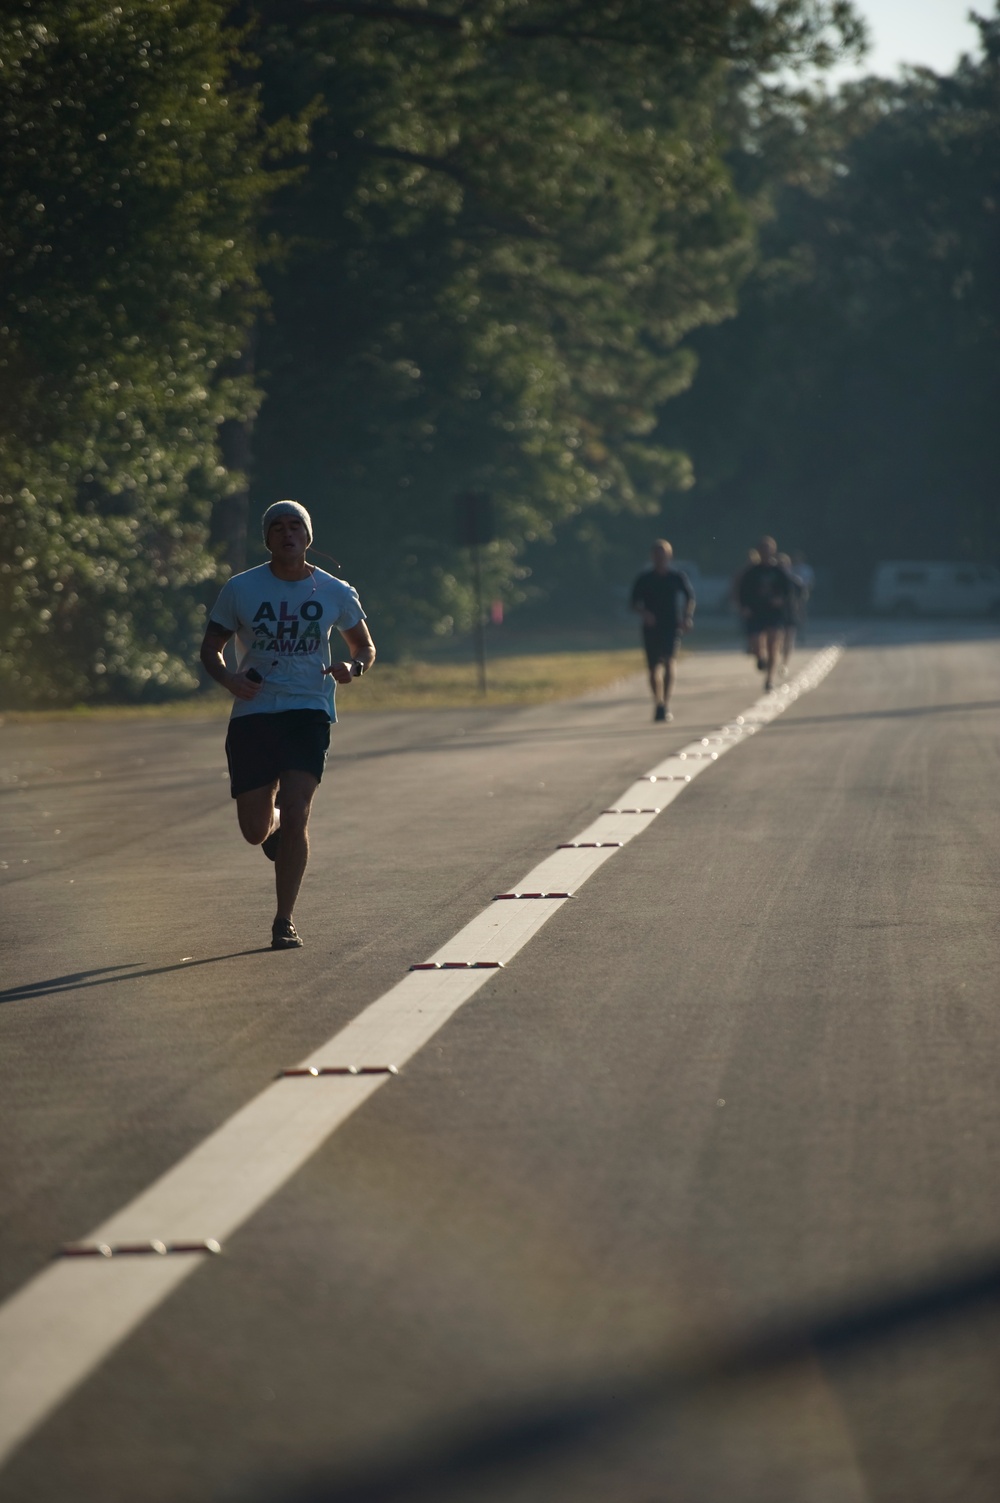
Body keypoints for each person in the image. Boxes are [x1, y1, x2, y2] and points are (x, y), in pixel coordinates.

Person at [200, 500, 375, 950]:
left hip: (308, 710)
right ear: (268, 539)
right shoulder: (241, 588)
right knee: (255, 830)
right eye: (276, 527)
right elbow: (211, 649)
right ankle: (272, 829)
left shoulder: (335, 590)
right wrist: (228, 679)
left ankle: (284, 920)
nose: (286, 533)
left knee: (299, 808)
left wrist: (352, 669)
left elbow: (364, 648)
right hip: (255, 713)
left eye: (294, 526)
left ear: (308, 537)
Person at [630, 539, 695, 722]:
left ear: (669, 556)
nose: (660, 558)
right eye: (657, 555)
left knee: (669, 662)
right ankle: (657, 701)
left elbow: (690, 597)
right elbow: (633, 603)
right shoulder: (644, 578)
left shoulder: (677, 577)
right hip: (651, 627)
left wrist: (687, 617)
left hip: (671, 625)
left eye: (663, 554)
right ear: (652, 557)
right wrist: (645, 614)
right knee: (653, 670)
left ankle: (665, 703)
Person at [737, 536, 793, 693]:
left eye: (768, 550)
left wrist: (781, 600)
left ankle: (769, 679)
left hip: (774, 613)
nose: (765, 553)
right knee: (755, 643)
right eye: (763, 550)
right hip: (756, 612)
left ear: (773, 551)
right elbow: (742, 591)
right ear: (759, 552)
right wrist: (744, 607)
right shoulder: (751, 572)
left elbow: (788, 592)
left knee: (773, 644)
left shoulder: (779, 572)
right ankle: (760, 658)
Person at [777, 551, 805, 673]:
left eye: (784, 564)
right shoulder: (772, 581)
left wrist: (799, 610)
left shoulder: (794, 582)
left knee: (789, 639)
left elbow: (800, 598)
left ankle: (784, 664)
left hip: (790, 612)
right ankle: (775, 659)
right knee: (777, 638)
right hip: (776, 613)